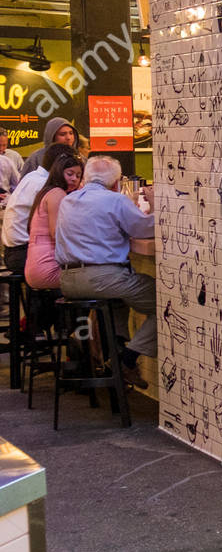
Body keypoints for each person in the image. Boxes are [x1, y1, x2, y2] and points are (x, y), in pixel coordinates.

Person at [55, 155, 156, 390]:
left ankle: (116, 350)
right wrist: (154, 205)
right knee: (166, 303)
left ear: (86, 177)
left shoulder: (68, 201)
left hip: (68, 281)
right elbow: (145, 229)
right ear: (115, 182)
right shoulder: (114, 201)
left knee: (120, 300)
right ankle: (126, 360)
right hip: (102, 279)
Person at [26, 150, 83, 291]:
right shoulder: (58, 193)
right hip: (47, 270)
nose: (75, 179)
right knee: (100, 279)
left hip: (35, 268)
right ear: (58, 172)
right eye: (70, 174)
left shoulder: (46, 192)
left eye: (78, 176)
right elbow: (57, 234)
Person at [2, 142, 64, 273]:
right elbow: (56, 232)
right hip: (23, 253)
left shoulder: (33, 176)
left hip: (12, 252)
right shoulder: (45, 184)